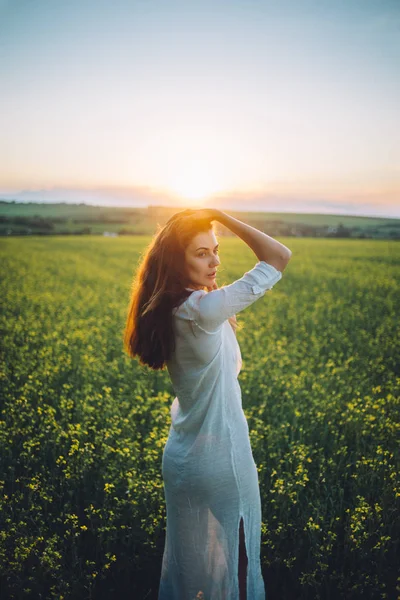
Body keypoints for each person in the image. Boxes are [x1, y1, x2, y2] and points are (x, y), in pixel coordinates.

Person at [124, 208, 292, 599]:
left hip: (183, 458)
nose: (215, 261)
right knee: (238, 568)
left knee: (190, 572)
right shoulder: (202, 311)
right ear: (176, 260)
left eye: (216, 249)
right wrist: (222, 216)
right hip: (220, 462)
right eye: (201, 253)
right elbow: (278, 257)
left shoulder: (171, 308)